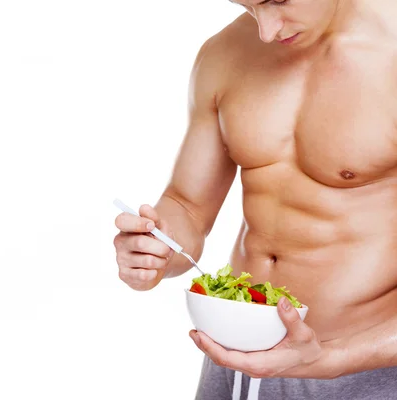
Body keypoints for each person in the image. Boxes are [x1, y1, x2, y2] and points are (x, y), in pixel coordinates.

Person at [112, 0, 397, 399]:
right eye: (246, 6)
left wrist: (331, 359)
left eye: (275, 0)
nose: (265, 29)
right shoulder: (225, 52)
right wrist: (156, 248)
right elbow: (187, 205)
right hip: (235, 360)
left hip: (363, 368)